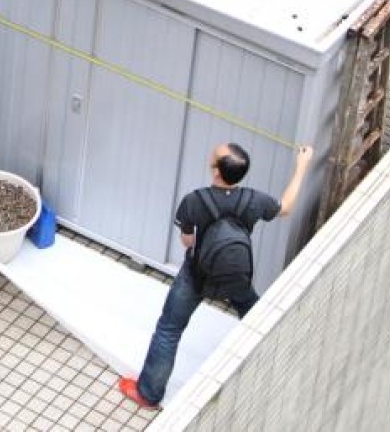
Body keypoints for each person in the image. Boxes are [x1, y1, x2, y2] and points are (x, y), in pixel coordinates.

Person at [120, 142, 315, 409]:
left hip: (197, 276)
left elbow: (187, 241)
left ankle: (148, 394)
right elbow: (286, 207)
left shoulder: (194, 200)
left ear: (215, 172)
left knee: (169, 330)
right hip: (236, 277)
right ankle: (284, 366)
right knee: (262, 322)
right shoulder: (254, 200)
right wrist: (301, 166)